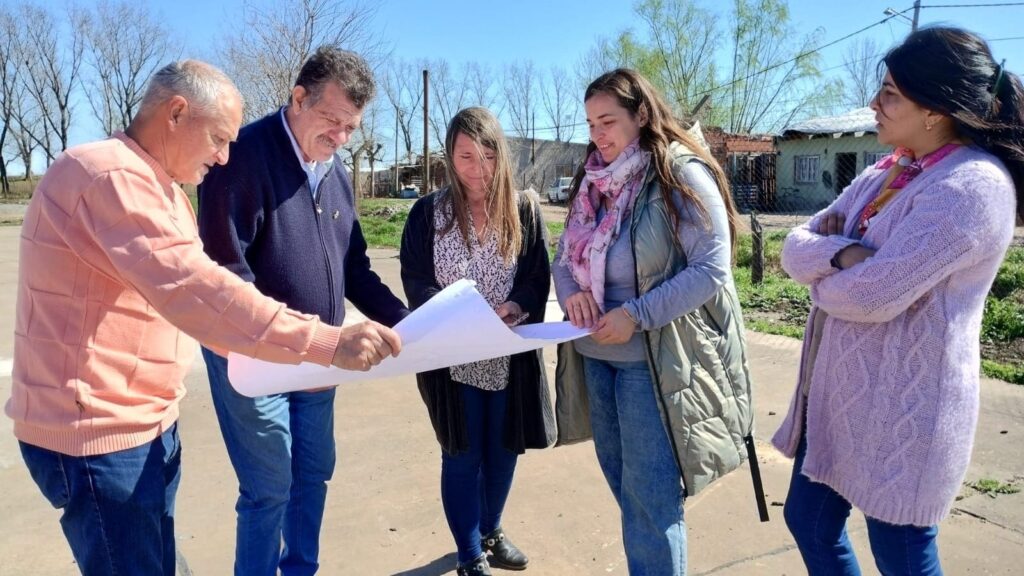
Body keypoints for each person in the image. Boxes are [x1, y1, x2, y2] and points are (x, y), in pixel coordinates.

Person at [6, 60, 401, 576]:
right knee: (249, 498)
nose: (223, 156)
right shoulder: (108, 176)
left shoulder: (160, 187)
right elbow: (202, 289)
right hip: (98, 433)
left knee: (165, 555)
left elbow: (348, 265)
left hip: (143, 423)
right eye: (217, 138)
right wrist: (325, 342)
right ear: (176, 113)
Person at [772, 27, 1023, 576]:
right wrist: (842, 256)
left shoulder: (972, 188)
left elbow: (875, 295)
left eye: (890, 93)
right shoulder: (885, 172)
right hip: (839, 398)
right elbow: (793, 247)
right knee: (809, 521)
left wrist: (830, 269)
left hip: (906, 407)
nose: (873, 104)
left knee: (903, 556)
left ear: (934, 109)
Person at [196, 46, 409, 576]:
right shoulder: (241, 157)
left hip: (319, 357)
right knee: (270, 487)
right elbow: (226, 272)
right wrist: (301, 338)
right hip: (253, 357)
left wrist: (408, 321)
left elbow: (354, 265)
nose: (340, 137)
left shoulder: (335, 175)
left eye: (351, 128)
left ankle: (301, 569)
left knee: (313, 472)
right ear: (298, 98)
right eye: (331, 120)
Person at [552, 68, 761, 576]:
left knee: (651, 502)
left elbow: (712, 269)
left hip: (654, 362)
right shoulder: (594, 181)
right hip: (594, 358)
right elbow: (563, 256)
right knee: (626, 488)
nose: (598, 135)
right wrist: (573, 292)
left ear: (641, 114)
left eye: (608, 121)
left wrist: (635, 315)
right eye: (590, 124)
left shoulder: (678, 174)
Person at [400, 107, 554, 576]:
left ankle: (492, 531)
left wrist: (513, 307)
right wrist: (457, 315)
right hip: (451, 358)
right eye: (466, 156)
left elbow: (536, 275)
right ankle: (469, 555)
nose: (477, 168)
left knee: (504, 450)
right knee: (462, 453)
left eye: (487, 156)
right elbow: (416, 278)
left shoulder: (523, 209)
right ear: (449, 155)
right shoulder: (428, 212)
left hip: (508, 354)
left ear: (501, 156)